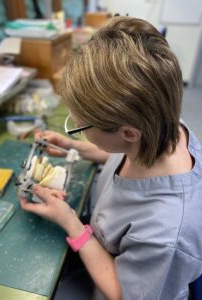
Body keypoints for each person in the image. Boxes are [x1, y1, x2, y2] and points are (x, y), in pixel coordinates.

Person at [19, 16, 202, 300]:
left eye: (80, 127)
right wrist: (74, 146)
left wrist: (72, 223)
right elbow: (119, 152)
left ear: (128, 132)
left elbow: (122, 292)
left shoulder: (166, 234)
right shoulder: (160, 121)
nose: (78, 132)